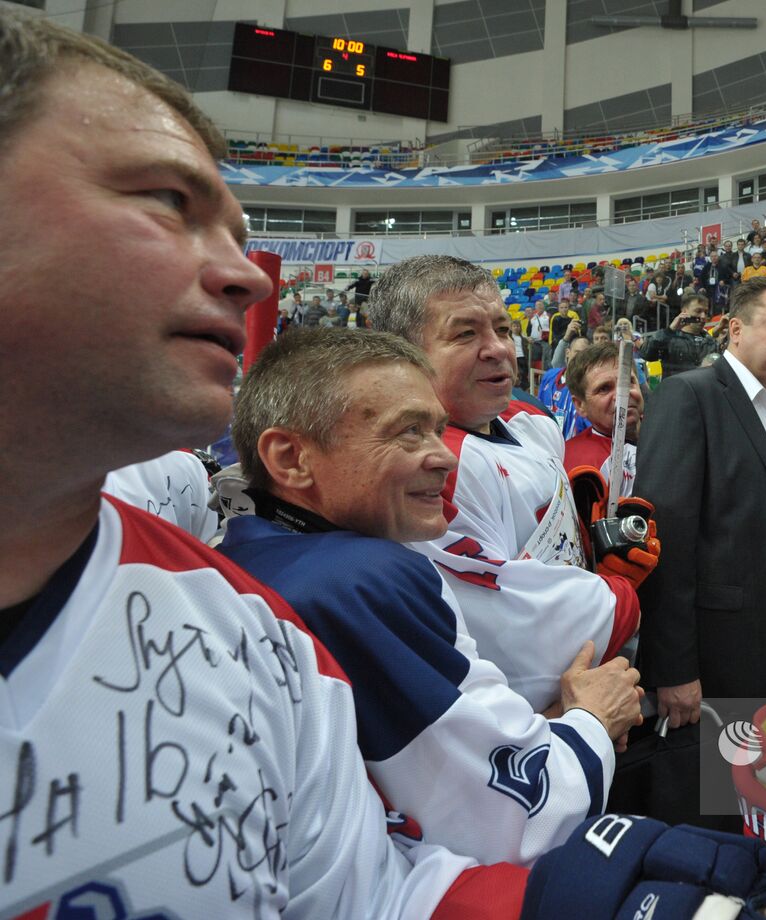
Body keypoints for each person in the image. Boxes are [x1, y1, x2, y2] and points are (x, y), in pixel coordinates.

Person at [0, 13, 530, 914]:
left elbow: (369, 901)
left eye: (239, 232)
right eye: (170, 201)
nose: (247, 277)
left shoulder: (262, 641)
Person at [219, 328, 640, 866]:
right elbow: (519, 819)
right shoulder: (363, 579)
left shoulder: (239, 551)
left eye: (438, 430)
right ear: (290, 457)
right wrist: (592, 719)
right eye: (409, 432)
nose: (443, 457)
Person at [364, 255, 655, 713]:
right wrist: (616, 587)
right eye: (465, 333)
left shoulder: (531, 422)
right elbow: (519, 637)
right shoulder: (431, 468)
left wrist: (594, 547)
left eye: (502, 329)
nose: (498, 348)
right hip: (524, 731)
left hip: (589, 702)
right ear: (401, 353)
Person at [634, 277, 766, 822]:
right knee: (720, 813)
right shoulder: (689, 394)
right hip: (721, 659)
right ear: (736, 330)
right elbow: (665, 535)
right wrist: (671, 667)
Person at [562, 341, 645, 498]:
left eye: (628, 382)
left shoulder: (667, 433)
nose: (623, 394)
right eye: (604, 388)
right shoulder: (579, 467)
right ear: (580, 405)